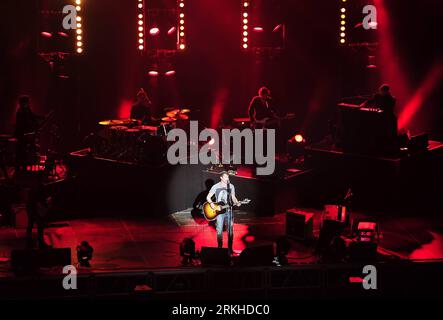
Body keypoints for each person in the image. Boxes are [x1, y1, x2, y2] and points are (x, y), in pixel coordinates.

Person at [206, 172, 240, 254]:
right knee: (219, 230)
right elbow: (208, 197)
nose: (227, 178)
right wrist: (211, 204)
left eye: (228, 177)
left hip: (229, 210)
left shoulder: (231, 186)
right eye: (225, 177)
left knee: (230, 231)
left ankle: (230, 249)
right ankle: (220, 248)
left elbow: (233, 197)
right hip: (219, 212)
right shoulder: (216, 186)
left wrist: (237, 202)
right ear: (221, 178)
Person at [15, 96, 41, 170]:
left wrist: (42, 117)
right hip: (21, 134)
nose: (28, 104)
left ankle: (25, 164)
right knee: (21, 150)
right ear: (23, 103)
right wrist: (33, 124)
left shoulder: (27, 109)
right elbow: (23, 124)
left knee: (25, 149)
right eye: (27, 102)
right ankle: (20, 166)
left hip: (25, 133)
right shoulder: (20, 112)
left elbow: (32, 116)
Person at [26, 184, 52, 248]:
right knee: (39, 225)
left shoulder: (34, 187)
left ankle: (29, 242)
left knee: (31, 224)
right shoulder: (40, 188)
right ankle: (40, 242)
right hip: (34, 207)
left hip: (32, 206)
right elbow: (39, 199)